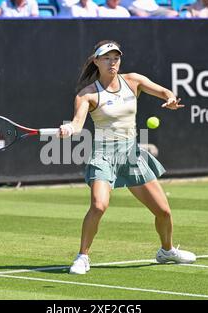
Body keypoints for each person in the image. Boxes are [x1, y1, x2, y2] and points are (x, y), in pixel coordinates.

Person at [58, 40, 196, 275]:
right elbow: (78, 123)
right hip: (103, 155)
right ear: (96, 61)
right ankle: (82, 256)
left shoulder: (133, 81)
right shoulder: (87, 94)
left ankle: (167, 250)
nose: (112, 62)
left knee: (163, 212)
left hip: (131, 153)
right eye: (107, 58)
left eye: (116, 58)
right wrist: (69, 128)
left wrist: (170, 98)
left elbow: (162, 91)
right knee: (99, 206)